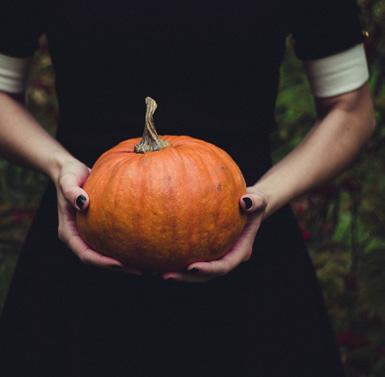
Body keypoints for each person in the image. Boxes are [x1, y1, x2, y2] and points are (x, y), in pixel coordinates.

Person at [0, 0, 376, 376]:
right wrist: (59, 166)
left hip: (246, 240)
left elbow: (351, 109)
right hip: (82, 245)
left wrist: (266, 195)